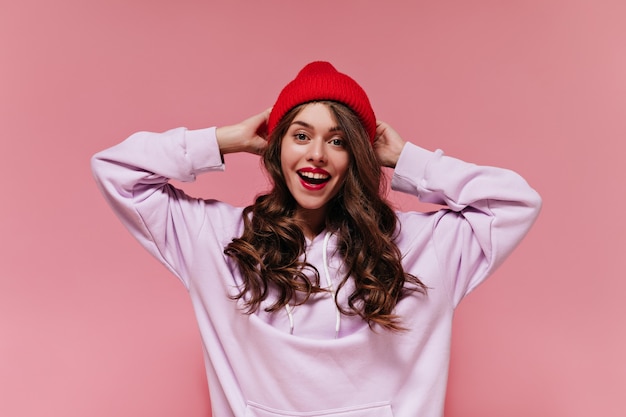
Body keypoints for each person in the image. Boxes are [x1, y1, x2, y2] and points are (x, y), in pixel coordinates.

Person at [91, 61, 541, 417]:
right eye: (300, 135)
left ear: (358, 156)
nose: (316, 155)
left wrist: (407, 160)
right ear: (276, 146)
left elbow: (515, 202)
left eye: (339, 141)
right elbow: (117, 170)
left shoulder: (422, 247)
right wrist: (224, 140)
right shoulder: (219, 241)